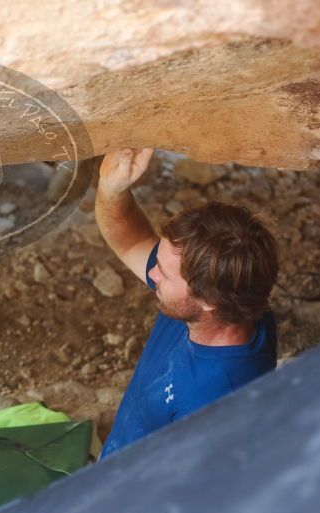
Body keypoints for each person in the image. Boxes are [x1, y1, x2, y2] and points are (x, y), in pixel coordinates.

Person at [95, 148, 279, 458]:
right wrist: (111, 188)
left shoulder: (215, 402)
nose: (152, 272)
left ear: (209, 302)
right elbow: (129, 240)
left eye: (163, 274)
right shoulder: (222, 299)